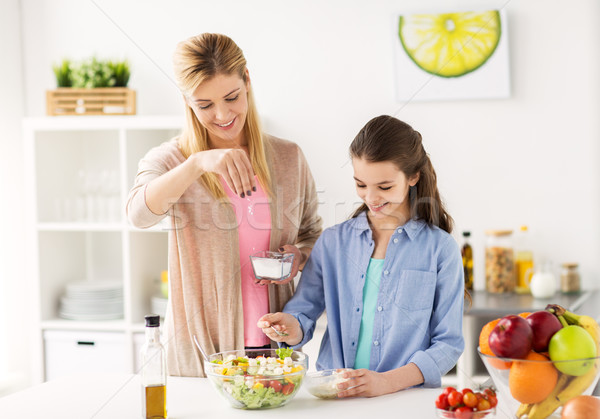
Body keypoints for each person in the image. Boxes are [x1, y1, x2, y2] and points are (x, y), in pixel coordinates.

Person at [127, 33, 322, 377]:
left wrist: (299, 257)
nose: (222, 114)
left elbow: (312, 233)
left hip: (273, 352)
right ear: (187, 101)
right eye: (204, 105)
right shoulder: (172, 160)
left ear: (247, 80)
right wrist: (197, 164)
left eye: (231, 97)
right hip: (202, 356)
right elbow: (138, 215)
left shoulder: (288, 157)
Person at [258, 115, 465, 397]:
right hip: (337, 397)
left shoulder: (441, 249)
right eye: (361, 184)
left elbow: (448, 344)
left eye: (385, 187)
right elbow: (303, 313)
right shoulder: (333, 242)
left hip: (405, 401)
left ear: (413, 177)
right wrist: (288, 328)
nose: (371, 198)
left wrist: (386, 383)